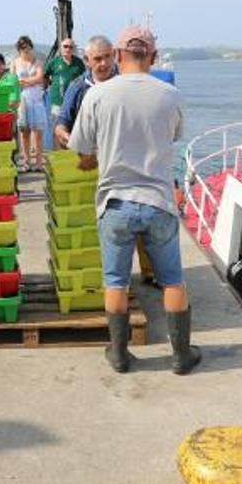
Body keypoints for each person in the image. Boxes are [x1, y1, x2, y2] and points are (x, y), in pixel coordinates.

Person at [68, 25, 199, 374]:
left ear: (117, 56)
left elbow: (81, 151)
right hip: (158, 201)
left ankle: (120, 355)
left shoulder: (98, 95)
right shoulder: (170, 95)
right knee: (172, 279)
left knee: (116, 281)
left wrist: (97, 157)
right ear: (153, 58)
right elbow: (173, 136)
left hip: (114, 203)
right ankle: (181, 357)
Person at [54, 35, 115, 149]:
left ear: (114, 55)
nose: (104, 63)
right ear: (87, 61)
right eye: (98, 59)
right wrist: (65, 135)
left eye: (107, 56)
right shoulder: (77, 87)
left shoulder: (123, 84)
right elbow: (62, 121)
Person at [13, 35, 47, 170]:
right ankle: (26, 162)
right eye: (23, 49)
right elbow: (14, 81)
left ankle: (38, 162)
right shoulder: (15, 62)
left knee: (38, 132)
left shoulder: (37, 62)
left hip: (36, 99)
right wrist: (30, 81)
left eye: (28, 48)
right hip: (22, 100)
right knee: (24, 132)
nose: (26, 51)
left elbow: (40, 78)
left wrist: (25, 82)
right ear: (19, 50)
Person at [45, 37, 86, 132]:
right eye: (65, 46)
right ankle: (57, 147)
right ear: (60, 48)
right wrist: (51, 85)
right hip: (57, 101)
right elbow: (44, 76)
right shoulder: (54, 62)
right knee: (56, 128)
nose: (68, 49)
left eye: (70, 47)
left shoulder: (79, 63)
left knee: (74, 128)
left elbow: (84, 78)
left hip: (74, 102)